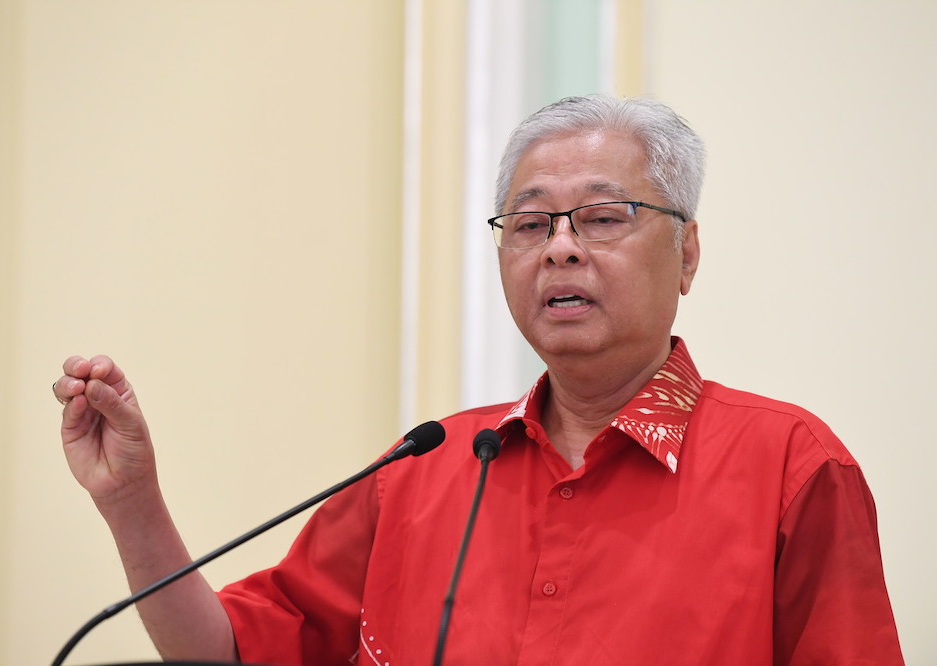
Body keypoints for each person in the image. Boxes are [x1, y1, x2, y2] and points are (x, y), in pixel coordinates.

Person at [54, 94, 903, 664]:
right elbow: (233, 651)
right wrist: (131, 503)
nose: (561, 246)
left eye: (604, 218)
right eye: (530, 223)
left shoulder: (792, 468)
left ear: (687, 252)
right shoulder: (428, 466)